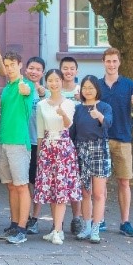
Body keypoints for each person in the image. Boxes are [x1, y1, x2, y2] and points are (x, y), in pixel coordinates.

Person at [98, 47, 133, 237]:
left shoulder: (129, 85)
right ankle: (99, 220)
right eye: (108, 61)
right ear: (103, 62)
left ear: (119, 62)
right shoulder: (97, 85)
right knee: (100, 183)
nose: (111, 64)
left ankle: (125, 222)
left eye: (114, 61)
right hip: (100, 139)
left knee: (124, 182)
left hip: (123, 139)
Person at [33, 69, 80, 245]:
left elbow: (68, 125)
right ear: (46, 83)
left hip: (63, 148)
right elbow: (40, 131)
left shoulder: (69, 103)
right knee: (51, 190)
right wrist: (39, 154)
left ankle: (59, 231)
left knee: (61, 189)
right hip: (47, 148)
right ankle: (55, 229)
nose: (54, 83)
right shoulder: (41, 105)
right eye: (50, 80)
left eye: (57, 80)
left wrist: (63, 114)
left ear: (62, 81)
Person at [0, 51, 35, 244]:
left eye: (13, 65)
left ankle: (22, 229)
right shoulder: (6, 88)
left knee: (21, 186)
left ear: (20, 65)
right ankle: (14, 224)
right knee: (11, 187)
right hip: (3, 141)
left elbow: (27, 91)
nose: (9, 68)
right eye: (7, 65)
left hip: (19, 143)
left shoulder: (25, 85)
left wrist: (25, 88)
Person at [70, 75, 113, 244]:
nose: (87, 91)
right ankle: (86, 226)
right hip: (81, 149)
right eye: (85, 87)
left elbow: (109, 123)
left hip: (99, 148)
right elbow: (72, 133)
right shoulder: (77, 109)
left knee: (98, 193)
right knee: (85, 192)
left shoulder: (105, 107)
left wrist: (99, 116)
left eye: (91, 87)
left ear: (97, 89)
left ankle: (96, 228)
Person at [60, 56, 84, 235]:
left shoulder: (82, 91)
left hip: (78, 140)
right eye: (65, 68)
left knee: (76, 182)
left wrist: (81, 100)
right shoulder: (55, 89)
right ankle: (58, 221)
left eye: (71, 68)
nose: (68, 72)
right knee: (60, 182)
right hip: (59, 141)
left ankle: (77, 218)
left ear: (76, 71)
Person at [23, 56, 47, 235]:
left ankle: (35, 217)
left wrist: (42, 95)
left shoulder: (45, 93)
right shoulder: (21, 87)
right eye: (31, 68)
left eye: (38, 69)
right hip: (22, 142)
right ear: (25, 70)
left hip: (39, 144)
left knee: (37, 182)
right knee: (23, 182)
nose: (34, 72)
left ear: (42, 73)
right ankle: (22, 216)